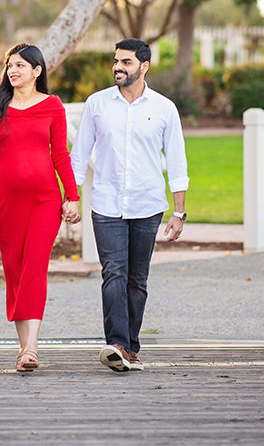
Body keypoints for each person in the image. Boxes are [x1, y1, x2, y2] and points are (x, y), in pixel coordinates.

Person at [70, 38, 188, 372]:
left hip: (148, 204)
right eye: (116, 61)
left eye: (127, 62)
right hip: (106, 203)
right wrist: (71, 197)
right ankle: (117, 343)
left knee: (137, 278)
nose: (118, 67)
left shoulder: (164, 108)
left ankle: (131, 347)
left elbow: (177, 163)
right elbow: (78, 157)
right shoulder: (97, 104)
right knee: (114, 273)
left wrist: (179, 212)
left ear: (144, 66)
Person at [0, 43, 81, 372]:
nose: (13, 70)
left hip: (44, 202)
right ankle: (23, 347)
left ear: (37, 71)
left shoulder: (52, 106)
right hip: (6, 204)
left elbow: (60, 155)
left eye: (21, 65)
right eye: (10, 65)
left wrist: (72, 196)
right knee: (15, 272)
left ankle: (32, 347)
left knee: (34, 267)